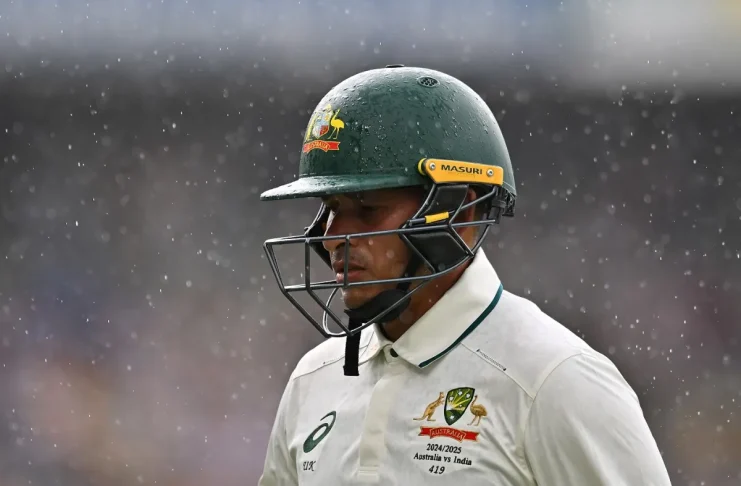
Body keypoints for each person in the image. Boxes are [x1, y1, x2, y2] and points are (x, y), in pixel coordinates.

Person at [257, 65, 672, 485]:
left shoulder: (555, 380)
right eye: (330, 208)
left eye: (367, 209)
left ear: (461, 211)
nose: (332, 238)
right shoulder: (312, 379)